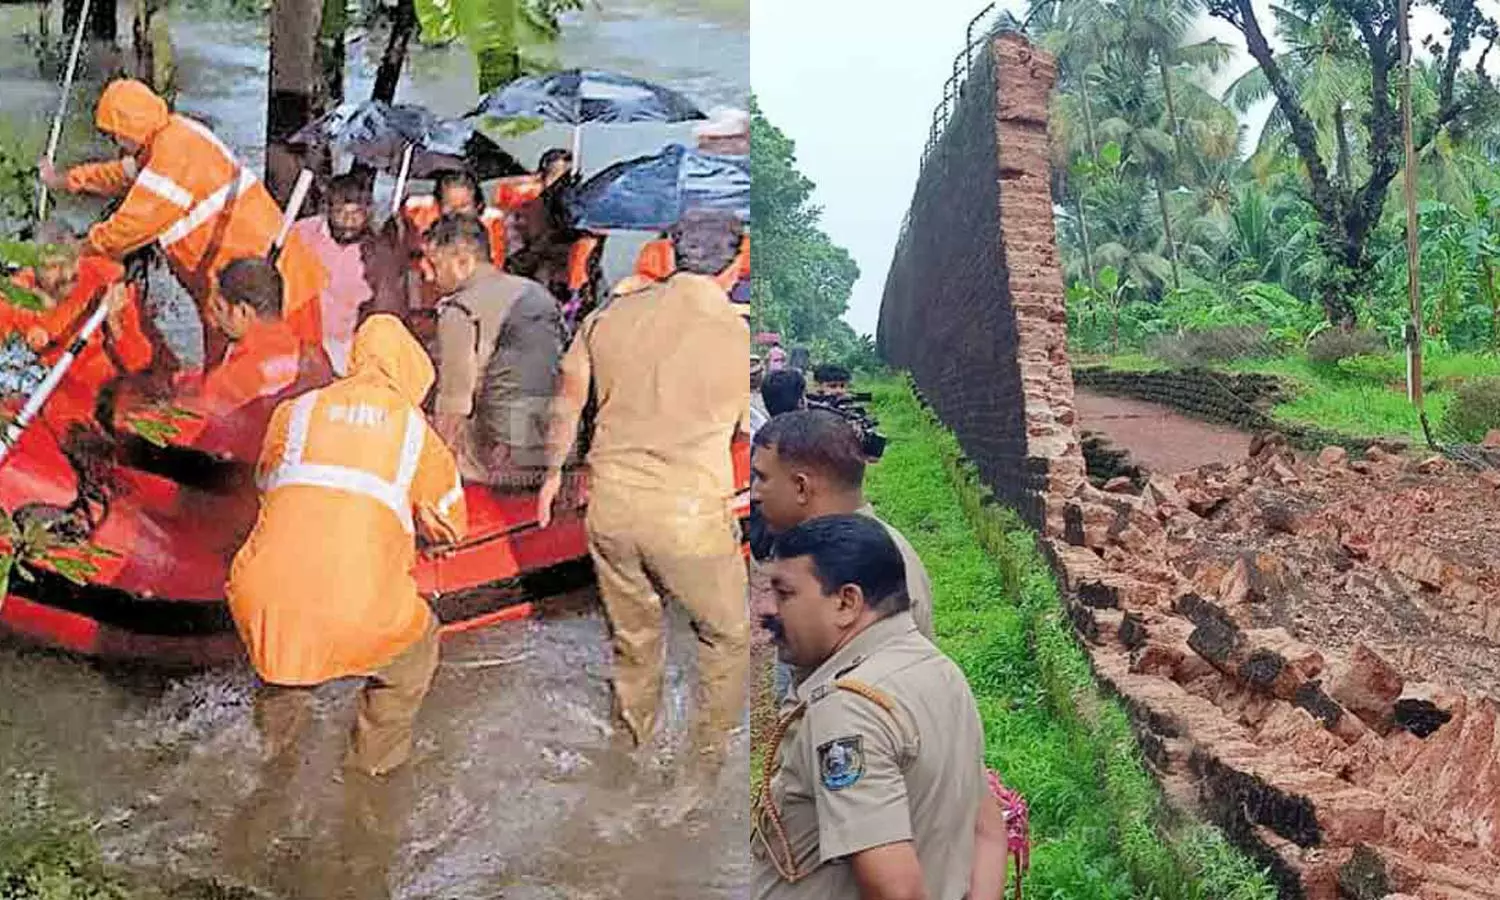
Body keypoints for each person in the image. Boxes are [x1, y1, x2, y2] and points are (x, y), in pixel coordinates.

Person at [537, 207, 750, 781]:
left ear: (675, 254)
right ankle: (702, 770)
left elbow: (567, 393)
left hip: (609, 508)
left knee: (634, 636)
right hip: (688, 516)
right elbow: (745, 428)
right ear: (735, 265)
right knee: (728, 636)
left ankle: (634, 744)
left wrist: (555, 474)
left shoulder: (610, 317)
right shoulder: (736, 331)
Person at [226, 313, 467, 778]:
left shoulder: (294, 411)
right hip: (359, 605)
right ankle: (372, 769)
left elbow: (267, 484)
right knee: (414, 653)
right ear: (412, 371)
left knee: (284, 666)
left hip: (263, 592)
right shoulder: (417, 433)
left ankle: (272, 761)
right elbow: (452, 525)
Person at [752, 514, 987, 900]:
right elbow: (982, 828)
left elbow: (897, 890)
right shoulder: (940, 670)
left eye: (785, 593)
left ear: (847, 602)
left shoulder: (847, 710)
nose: (768, 609)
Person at [39, 78, 326, 370]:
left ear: (128, 129)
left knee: (288, 374)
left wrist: (79, 249)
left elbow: (129, 227)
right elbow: (123, 174)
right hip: (227, 291)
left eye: (115, 136)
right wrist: (67, 180)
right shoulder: (170, 135)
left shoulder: (172, 154)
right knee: (227, 379)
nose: (117, 145)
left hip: (268, 285)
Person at [751, 410, 933, 640]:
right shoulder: (829, 552)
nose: (754, 493)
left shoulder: (867, 567)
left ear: (801, 487)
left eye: (762, 478)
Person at [426, 215, 562, 489]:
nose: (428, 276)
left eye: (434, 264)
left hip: (492, 463)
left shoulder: (459, 310)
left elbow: (454, 403)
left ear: (462, 261)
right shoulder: (537, 294)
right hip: (549, 452)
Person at [155, 258, 332, 460]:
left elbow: (182, 436)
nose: (214, 321)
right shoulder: (317, 360)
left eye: (220, 309)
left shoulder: (231, 379)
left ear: (244, 311)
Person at [3, 234, 153, 426]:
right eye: (52, 266)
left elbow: (139, 361)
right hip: (58, 401)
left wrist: (115, 321)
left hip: (111, 393)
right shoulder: (13, 298)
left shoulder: (108, 283)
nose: (64, 275)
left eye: (68, 266)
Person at [289, 173, 406, 376]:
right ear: (328, 210)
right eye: (340, 212)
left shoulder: (376, 252)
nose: (348, 221)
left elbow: (386, 307)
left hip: (347, 348)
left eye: (356, 213)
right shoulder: (303, 233)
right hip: (301, 341)